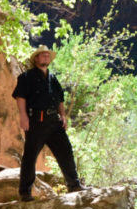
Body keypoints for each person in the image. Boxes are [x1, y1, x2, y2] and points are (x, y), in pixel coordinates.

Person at [11, 44, 85, 200]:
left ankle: (73, 185)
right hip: (36, 122)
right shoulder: (26, 77)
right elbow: (20, 97)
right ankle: (25, 192)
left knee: (66, 151)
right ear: (36, 59)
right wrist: (23, 116)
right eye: (42, 55)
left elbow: (60, 100)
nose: (46, 57)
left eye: (47, 55)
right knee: (30, 157)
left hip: (54, 123)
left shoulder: (53, 78)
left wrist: (63, 116)